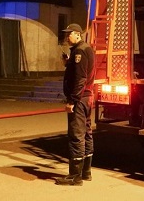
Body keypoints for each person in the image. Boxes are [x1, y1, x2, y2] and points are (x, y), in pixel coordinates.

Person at [55, 23, 95, 186]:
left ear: (78, 34)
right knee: (86, 133)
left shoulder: (79, 51)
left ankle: (75, 176)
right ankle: (86, 172)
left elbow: (80, 79)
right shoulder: (86, 49)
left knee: (76, 135)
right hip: (87, 97)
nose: (67, 37)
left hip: (79, 99)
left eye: (69, 34)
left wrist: (72, 100)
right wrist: (68, 63)